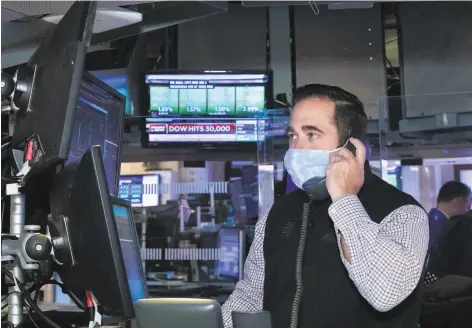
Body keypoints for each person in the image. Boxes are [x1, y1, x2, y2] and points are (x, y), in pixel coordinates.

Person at [221, 84, 429, 328]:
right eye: (293, 136)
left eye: (312, 134)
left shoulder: (403, 213)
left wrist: (345, 199)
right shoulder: (278, 213)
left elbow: (385, 293)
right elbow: (251, 296)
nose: (296, 147)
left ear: (351, 148)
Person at [428, 181, 471, 250]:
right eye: (468, 207)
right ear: (459, 201)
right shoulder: (445, 227)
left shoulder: (429, 220)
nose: (466, 212)